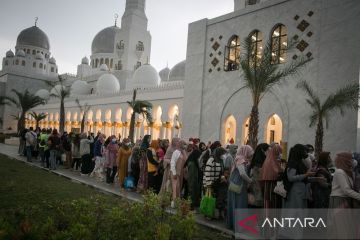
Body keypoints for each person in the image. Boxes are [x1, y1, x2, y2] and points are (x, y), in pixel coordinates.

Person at [327, 152, 360, 239]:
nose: (353, 161)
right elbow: (346, 190)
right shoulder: (340, 172)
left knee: (344, 227)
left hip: (345, 201)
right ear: (345, 160)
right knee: (341, 227)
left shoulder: (348, 172)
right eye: (351, 158)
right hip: (339, 201)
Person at [227, 145, 253, 230]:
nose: (250, 154)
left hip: (236, 185)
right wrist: (250, 181)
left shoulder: (240, 159)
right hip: (238, 186)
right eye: (249, 152)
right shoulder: (240, 159)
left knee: (235, 204)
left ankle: (234, 225)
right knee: (239, 205)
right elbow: (242, 173)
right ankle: (238, 226)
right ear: (245, 151)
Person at [260, 143, 282, 208]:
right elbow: (276, 172)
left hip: (270, 184)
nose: (279, 154)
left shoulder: (271, 158)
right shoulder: (272, 160)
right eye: (278, 152)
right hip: (271, 184)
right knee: (271, 201)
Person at [248, 143, 269, 208]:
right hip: (257, 185)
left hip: (257, 185)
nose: (268, 152)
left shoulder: (257, 160)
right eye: (267, 150)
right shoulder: (258, 162)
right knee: (257, 203)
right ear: (262, 150)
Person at [170, 139, 187, 208]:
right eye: (184, 144)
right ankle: (174, 203)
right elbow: (172, 162)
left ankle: (177, 202)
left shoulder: (183, 152)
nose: (185, 146)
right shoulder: (176, 152)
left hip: (180, 173)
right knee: (175, 188)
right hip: (175, 173)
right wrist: (174, 173)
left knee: (178, 188)